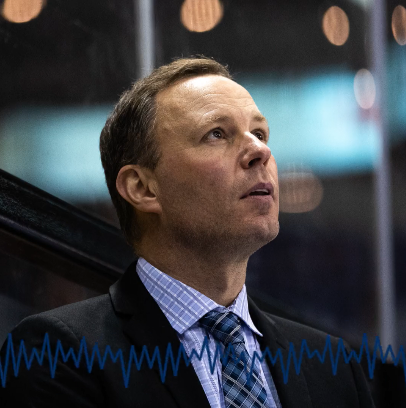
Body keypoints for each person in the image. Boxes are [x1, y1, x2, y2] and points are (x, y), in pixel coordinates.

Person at [0, 57, 375, 407]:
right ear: (143, 188)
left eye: (260, 133)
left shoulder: (335, 368)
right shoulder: (56, 356)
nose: (259, 151)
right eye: (216, 134)